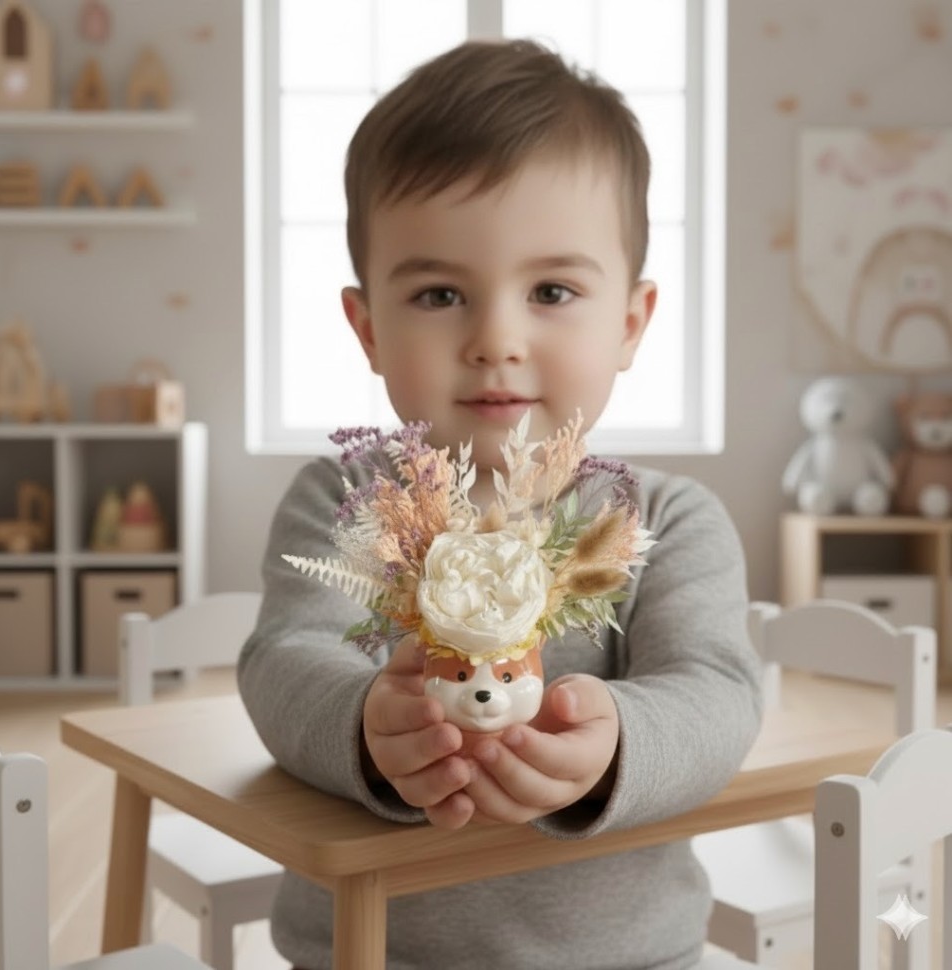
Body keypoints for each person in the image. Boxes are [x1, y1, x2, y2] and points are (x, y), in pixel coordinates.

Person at [239, 38, 762, 970]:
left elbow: (716, 692)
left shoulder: (667, 522)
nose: (496, 339)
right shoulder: (343, 500)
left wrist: (616, 742)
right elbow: (282, 660)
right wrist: (365, 723)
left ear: (631, 323)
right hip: (368, 950)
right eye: (440, 293)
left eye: (552, 290)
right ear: (367, 328)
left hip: (628, 957)